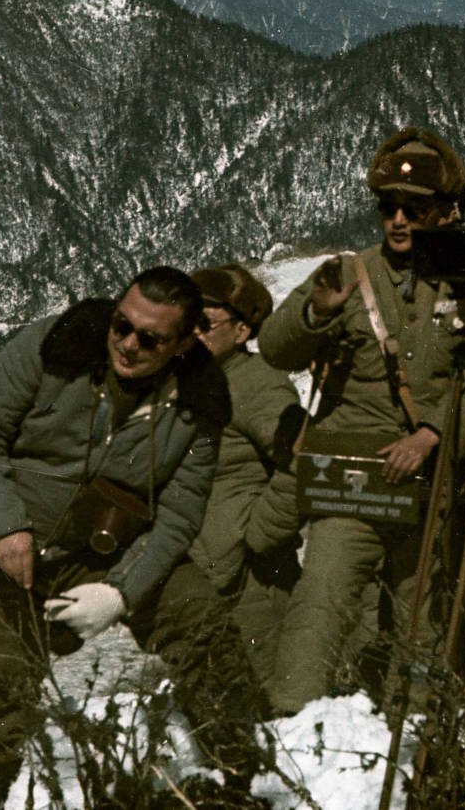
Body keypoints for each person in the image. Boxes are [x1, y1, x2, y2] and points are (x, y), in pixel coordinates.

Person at [0, 266, 244, 809]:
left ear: (182, 344)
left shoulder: (201, 403)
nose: (128, 345)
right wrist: (6, 526)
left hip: (103, 550)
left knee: (199, 621)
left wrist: (121, 593)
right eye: (120, 326)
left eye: (150, 338)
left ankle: (241, 774)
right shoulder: (51, 346)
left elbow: (180, 514)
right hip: (2, 543)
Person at [257, 126, 465, 714]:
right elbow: (277, 350)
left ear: (447, 211)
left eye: (415, 209)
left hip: (429, 481)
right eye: (389, 208)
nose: (399, 221)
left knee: (423, 618)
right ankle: (290, 721)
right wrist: (314, 311)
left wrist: (435, 433)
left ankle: (411, 735)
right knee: (322, 601)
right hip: (352, 480)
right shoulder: (346, 275)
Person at [186, 263, 306, 687]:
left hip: (251, 583)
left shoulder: (257, 384)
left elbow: (303, 459)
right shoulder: (194, 379)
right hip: (204, 574)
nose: (192, 332)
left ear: (241, 331)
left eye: (204, 322)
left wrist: (258, 532)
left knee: (266, 700)